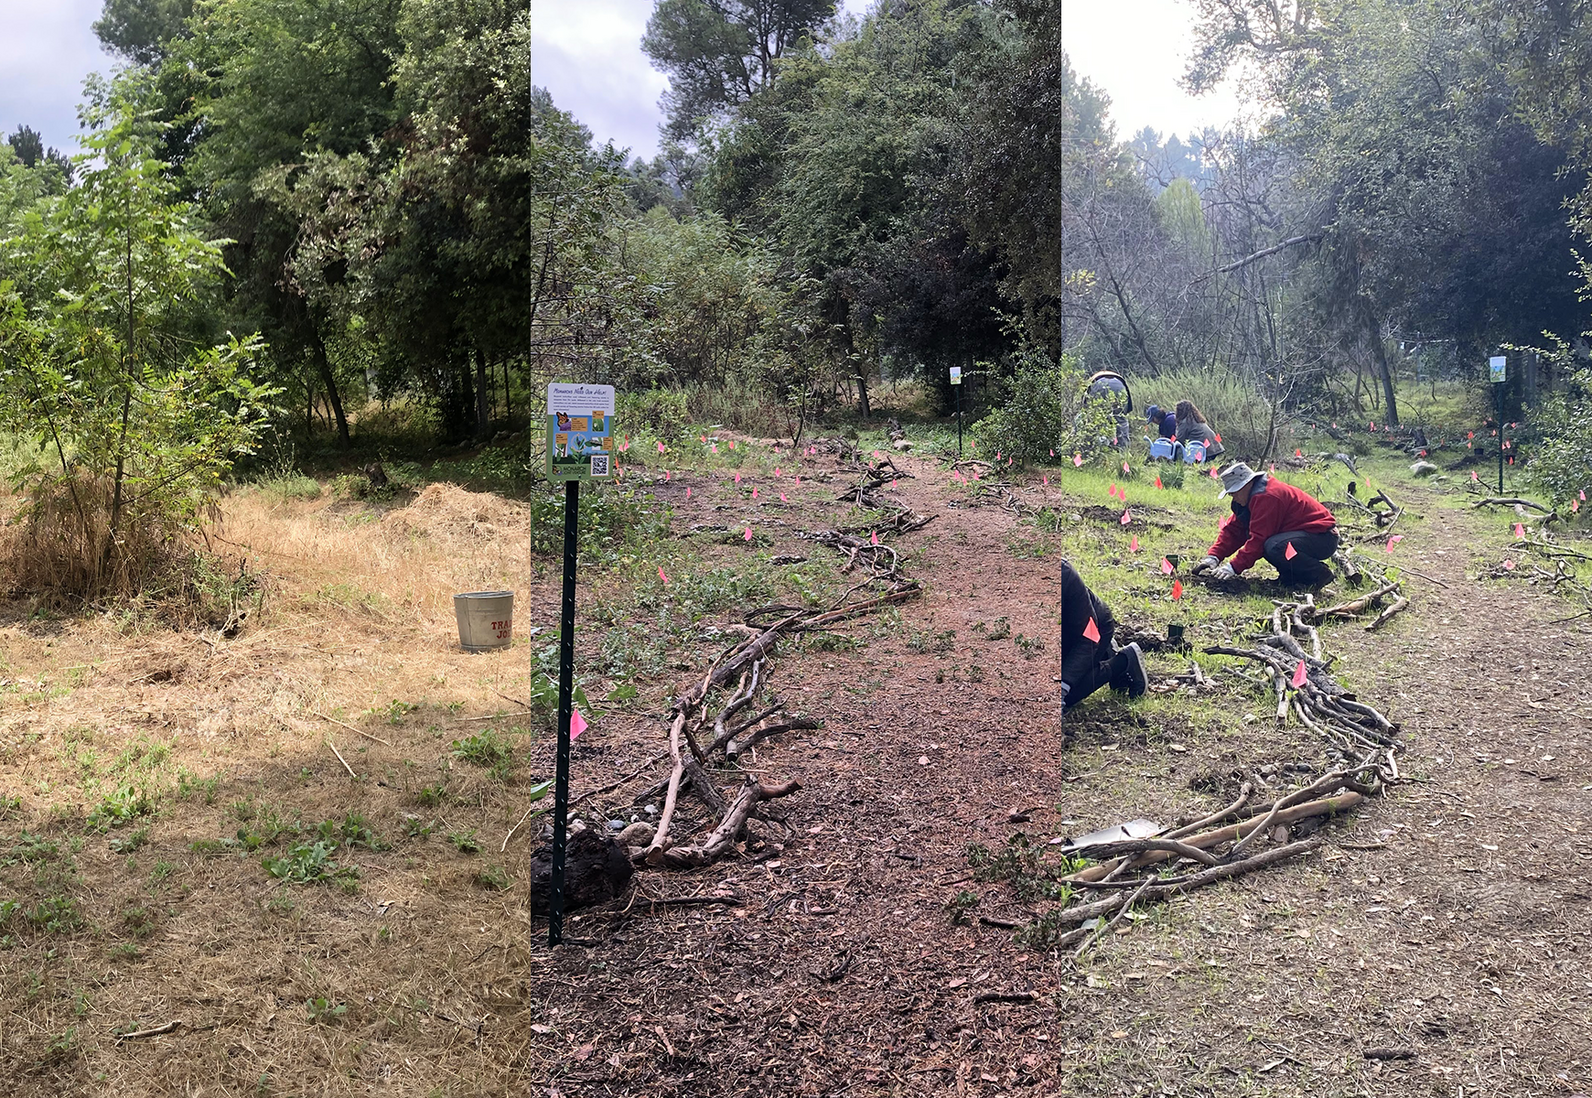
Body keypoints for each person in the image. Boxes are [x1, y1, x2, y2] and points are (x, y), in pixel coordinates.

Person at [1195, 462, 1339, 587]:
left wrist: (1233, 567)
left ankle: (1318, 574)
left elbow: (1259, 539)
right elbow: (1234, 530)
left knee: (1274, 546)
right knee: (1273, 544)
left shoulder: (1267, 497)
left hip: (1323, 538)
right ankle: (1290, 578)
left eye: (1235, 492)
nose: (1234, 497)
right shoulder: (1250, 498)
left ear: (1247, 484)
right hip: (1304, 535)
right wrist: (1214, 556)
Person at [1057, 560, 1147, 715]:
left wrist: (1063, 688)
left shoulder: (1065, 574)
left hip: (1095, 629)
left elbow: (1089, 637)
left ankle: (1123, 661)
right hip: (1066, 634)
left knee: (1069, 693)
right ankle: (1104, 653)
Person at [1086, 371, 1133, 448]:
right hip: (1120, 385)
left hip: (1100, 386)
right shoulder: (1117, 378)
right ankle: (1124, 449)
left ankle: (1100, 448)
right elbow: (1127, 410)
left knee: (1098, 419)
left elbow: (1086, 406)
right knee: (1121, 419)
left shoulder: (1092, 381)